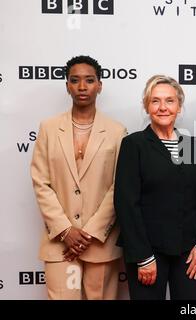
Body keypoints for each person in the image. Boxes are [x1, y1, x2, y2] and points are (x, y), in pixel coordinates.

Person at [30, 55, 127, 299]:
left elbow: (120, 185)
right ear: (67, 85)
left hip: (100, 243)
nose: (82, 87)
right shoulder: (48, 128)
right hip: (59, 244)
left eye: (89, 80)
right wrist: (65, 230)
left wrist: (91, 232)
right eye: (75, 80)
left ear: (100, 85)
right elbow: (41, 182)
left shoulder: (117, 131)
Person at [114, 75, 196, 300]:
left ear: (179, 106)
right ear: (146, 106)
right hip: (148, 253)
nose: (163, 108)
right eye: (155, 101)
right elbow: (126, 203)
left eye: (169, 101)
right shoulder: (134, 145)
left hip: (190, 253)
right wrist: (143, 256)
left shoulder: (192, 145)